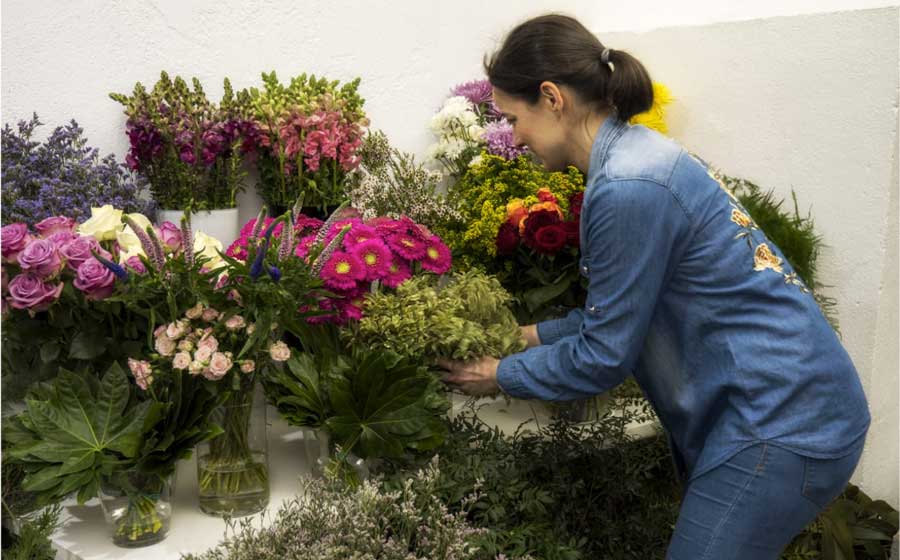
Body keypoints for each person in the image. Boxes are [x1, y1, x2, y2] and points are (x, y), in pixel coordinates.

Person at [437, 13, 870, 559]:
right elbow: (616, 316)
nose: (514, 136)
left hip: (784, 423)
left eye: (512, 117)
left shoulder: (628, 187)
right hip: (791, 409)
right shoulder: (635, 156)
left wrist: (498, 374)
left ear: (551, 98)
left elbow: (603, 357)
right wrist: (520, 335)